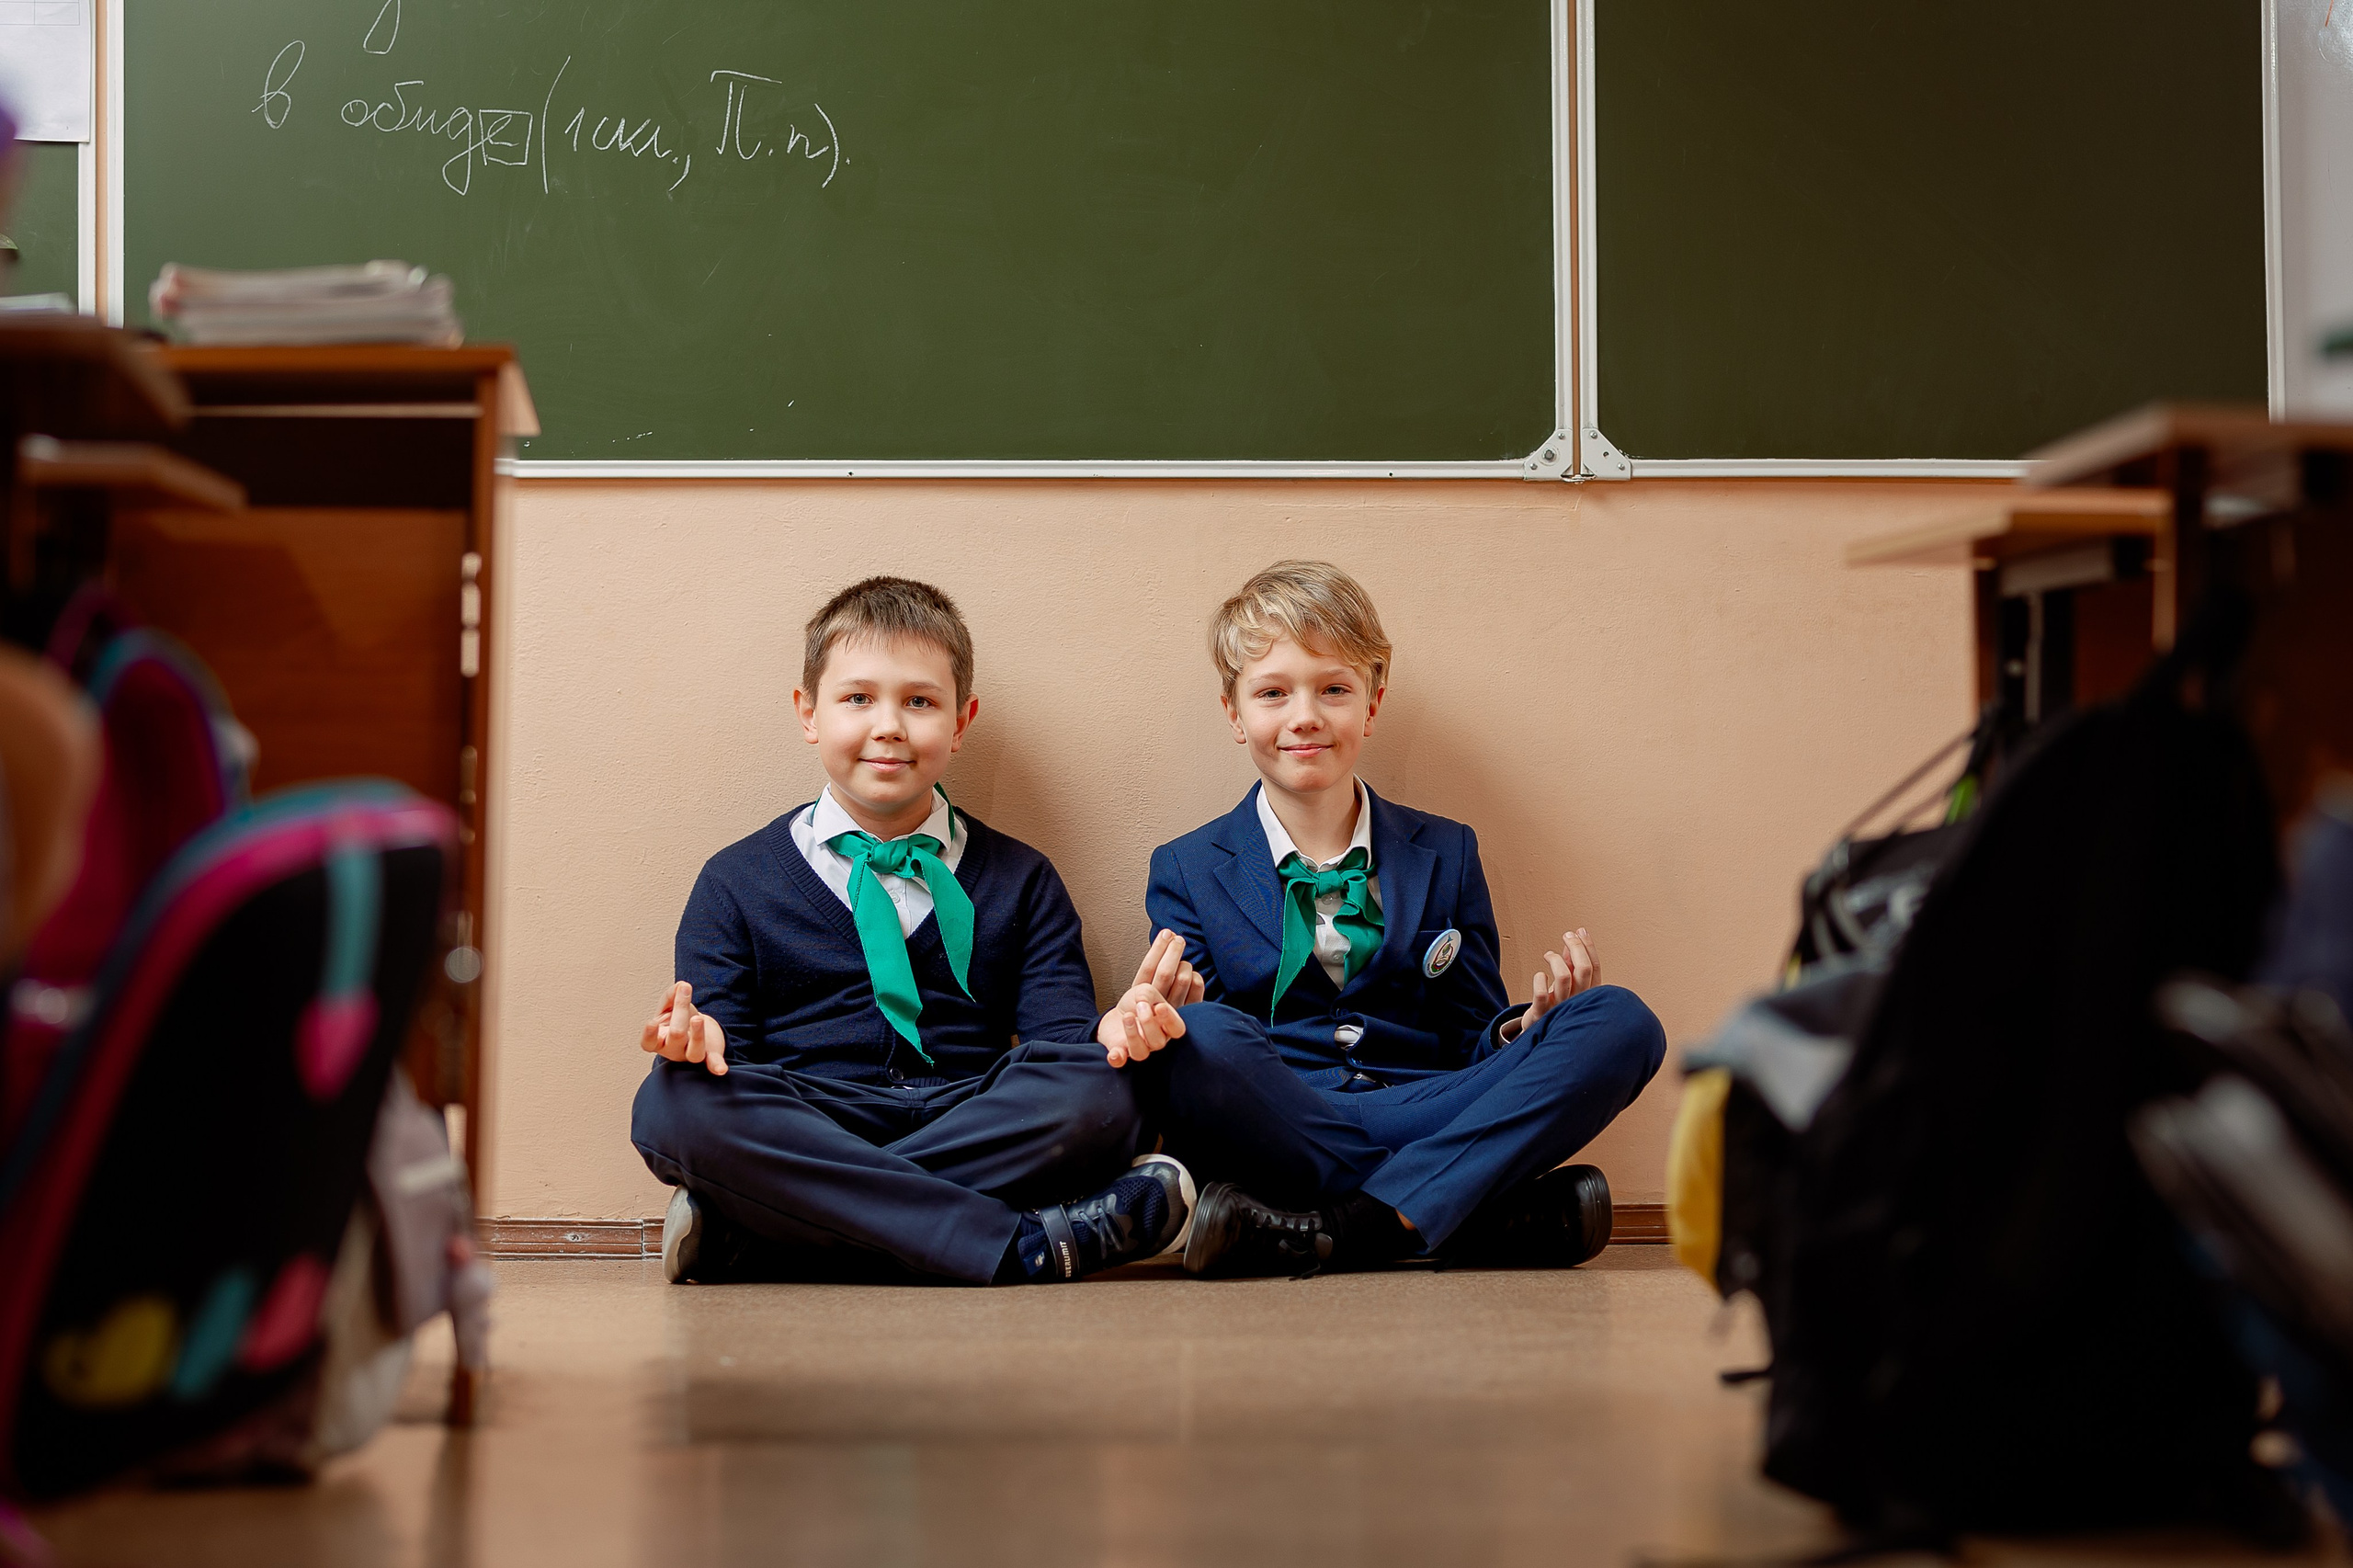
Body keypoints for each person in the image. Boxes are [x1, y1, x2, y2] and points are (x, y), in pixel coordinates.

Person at [631, 576, 1205, 1286]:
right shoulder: (734, 880)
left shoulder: (1022, 878)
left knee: (1108, 1095)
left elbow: (1060, 1046)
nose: (889, 726)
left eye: (920, 702)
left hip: (975, 1109)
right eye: (857, 699)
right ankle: (1019, 1245)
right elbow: (730, 1062)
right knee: (670, 1104)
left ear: (961, 722)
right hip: (813, 1116)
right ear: (808, 712)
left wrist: (1113, 1032)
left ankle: (764, 1232)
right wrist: (700, 1044)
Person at [1140, 561, 1666, 1277]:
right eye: (1273, 693)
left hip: (1429, 1105)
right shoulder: (1187, 866)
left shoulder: (1445, 850)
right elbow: (1218, 1056)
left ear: (1372, 702)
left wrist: (1523, 1030)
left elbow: (1471, 1038)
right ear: (1235, 714)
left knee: (1622, 1021)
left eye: (1334, 689)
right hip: (1286, 1119)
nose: (1305, 716)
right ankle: (1472, 1211)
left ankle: (1348, 1227)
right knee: (1199, 1038)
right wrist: (1176, 1017)